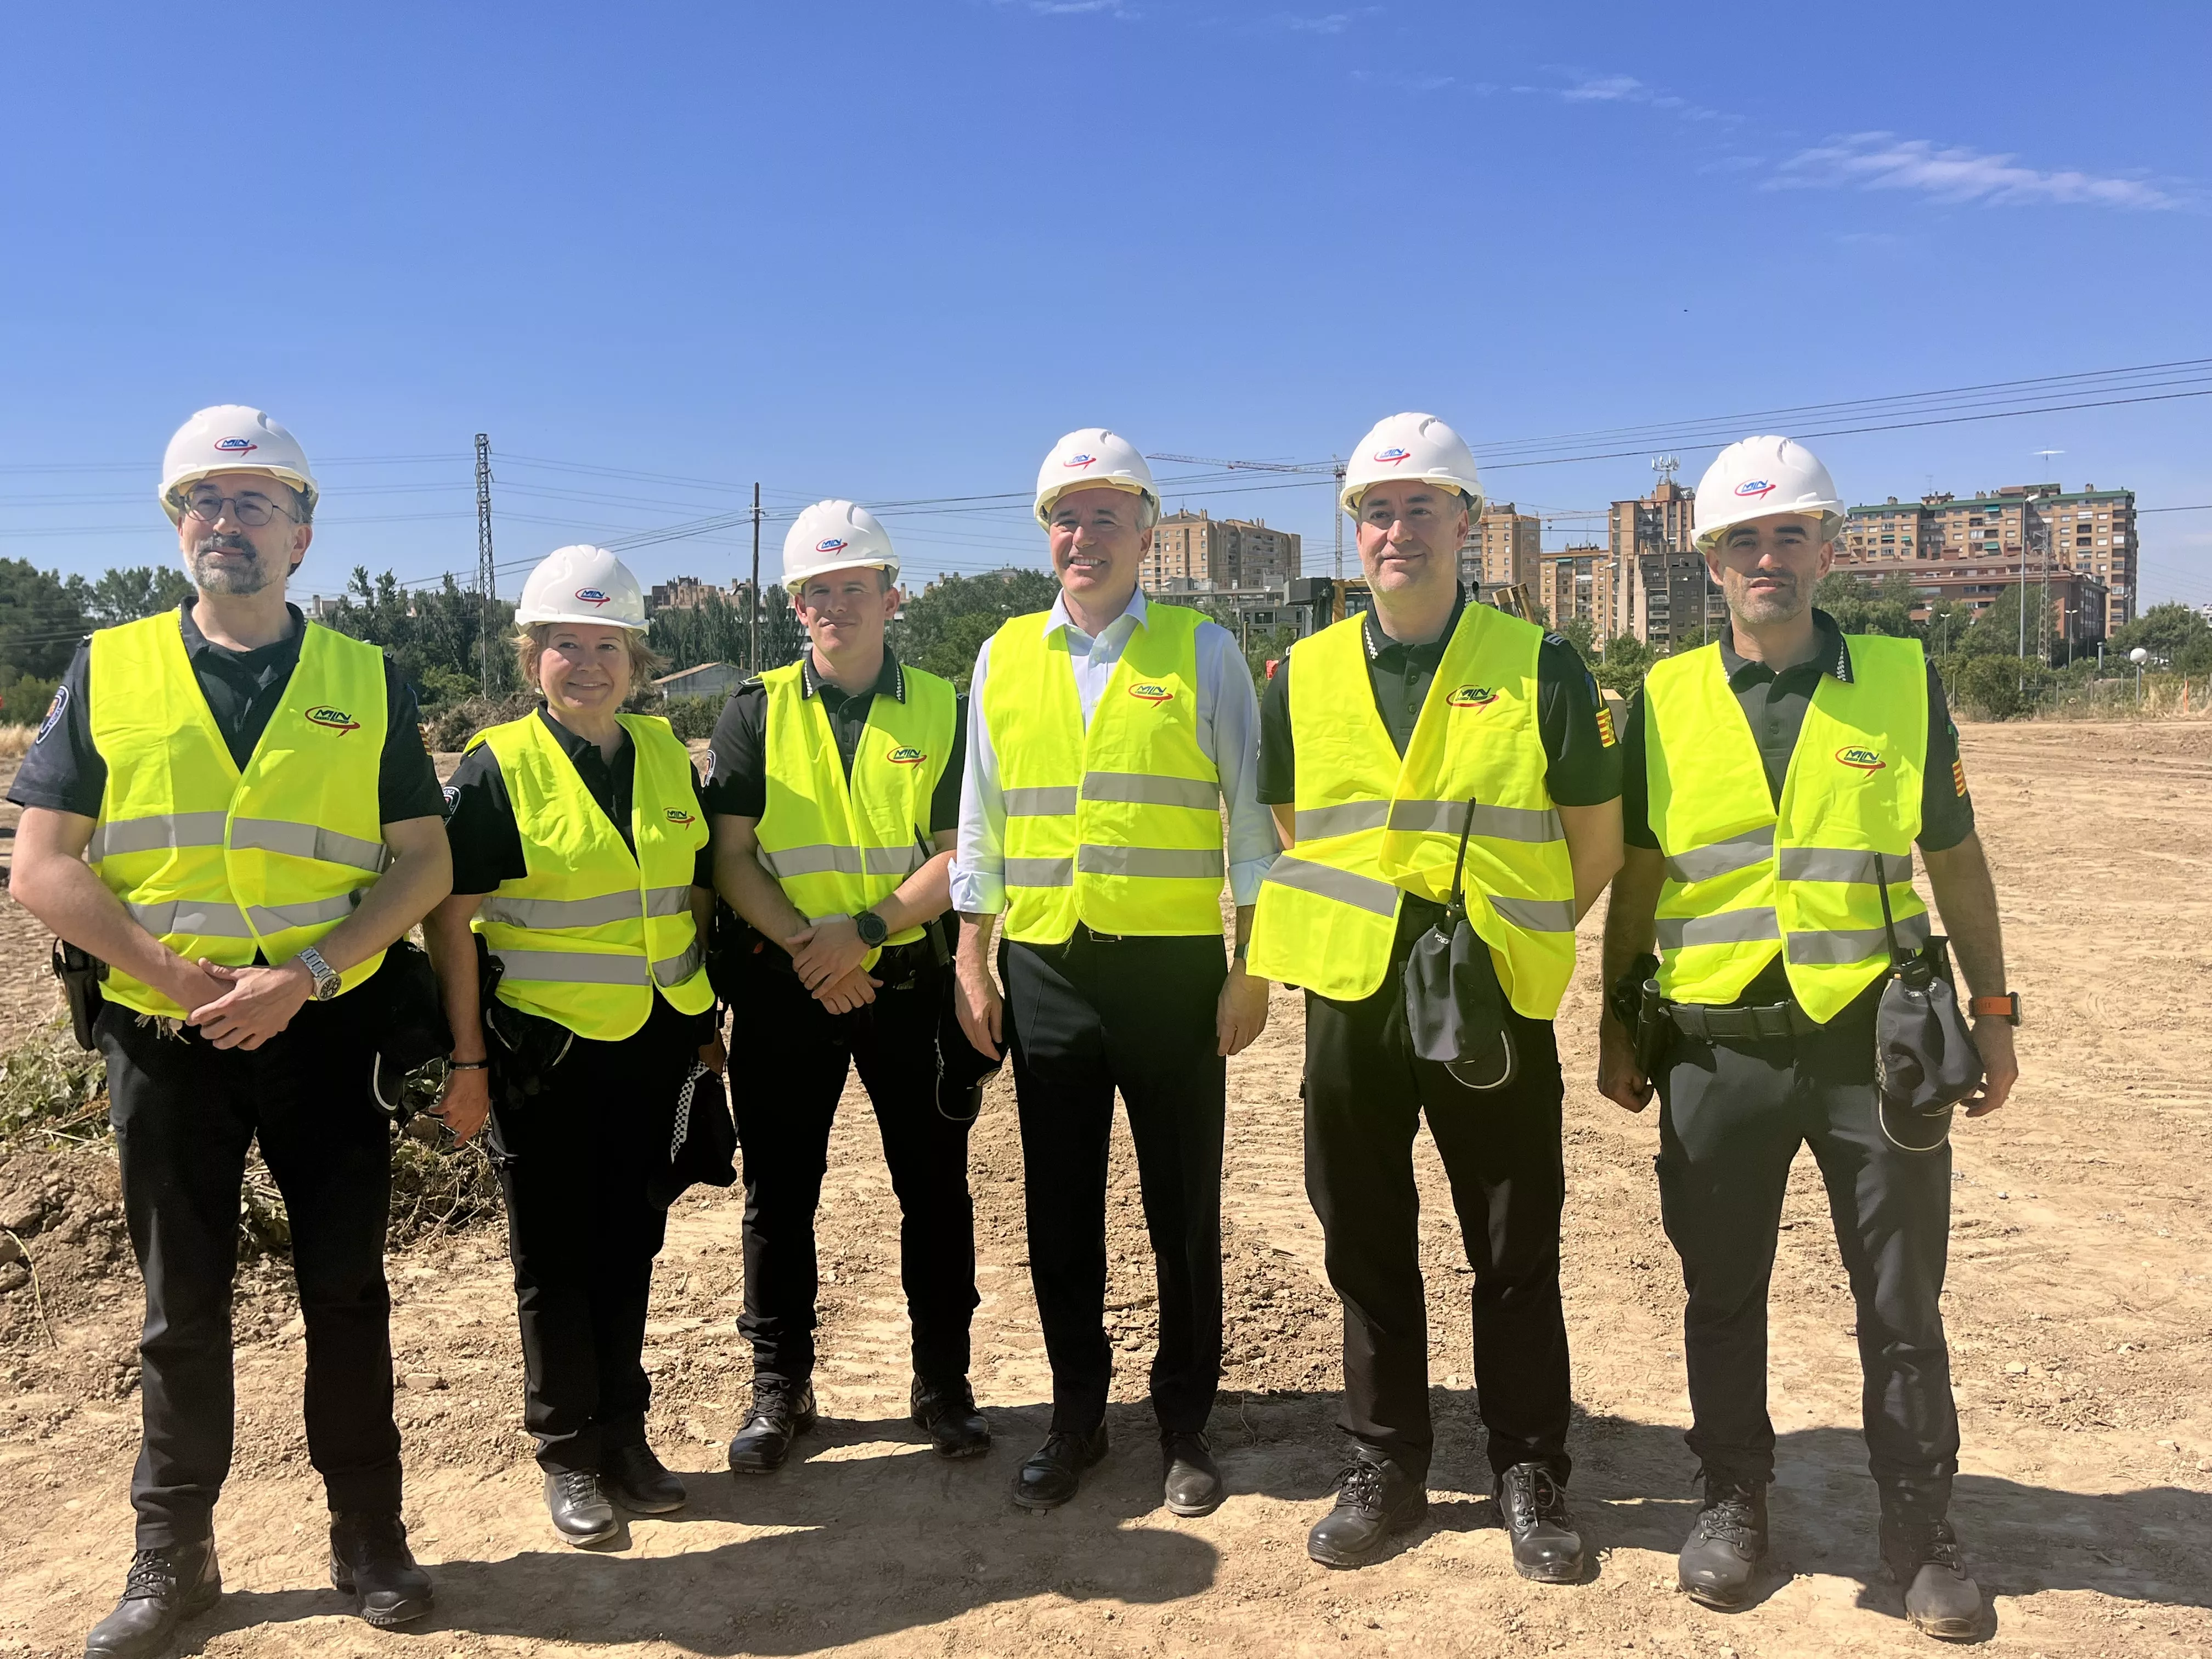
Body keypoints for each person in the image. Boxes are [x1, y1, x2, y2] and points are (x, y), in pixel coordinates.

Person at [8, 407, 452, 1656]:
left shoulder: (368, 679)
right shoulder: (111, 669)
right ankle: (173, 1555)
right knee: (179, 1305)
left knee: (346, 1294)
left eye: (256, 503)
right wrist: (167, 971)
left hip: (326, 1031)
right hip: (166, 1040)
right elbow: (41, 867)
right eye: (204, 501)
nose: (227, 522)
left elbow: (421, 864)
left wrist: (307, 975)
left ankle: (370, 1536)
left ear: (303, 534)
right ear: (174, 526)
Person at [1595, 436, 2019, 1639]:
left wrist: (1993, 1014)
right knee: (1720, 1293)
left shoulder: (1897, 677)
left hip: (1869, 1045)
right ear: (1711, 564)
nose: (1768, 556)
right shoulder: (1666, 703)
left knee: (1901, 1303)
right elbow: (1638, 877)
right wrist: (1616, 1024)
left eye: (1790, 534)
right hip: (1714, 1047)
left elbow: (1955, 859)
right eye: (1744, 538)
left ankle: (1919, 1533)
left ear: (1830, 549)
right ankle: (1733, 1502)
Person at [1247, 413, 1623, 1574]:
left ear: (1468, 523)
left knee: (1513, 1244)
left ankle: (1527, 1467)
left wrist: (1513, 936)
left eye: (1421, 507)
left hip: (1491, 993)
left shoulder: (1541, 666)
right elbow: (1296, 828)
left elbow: (1594, 843)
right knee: (1363, 1237)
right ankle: (1389, 1466)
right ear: (1352, 530)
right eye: (1376, 509)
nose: (1396, 528)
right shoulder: (1296, 677)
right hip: (1352, 996)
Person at [951, 428, 1273, 1517]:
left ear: (1146, 529)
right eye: (1062, 517)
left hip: (1176, 975)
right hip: (1047, 974)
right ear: (1045, 535)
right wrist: (972, 957)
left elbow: (1248, 829)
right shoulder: (1003, 658)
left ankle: (1184, 1422)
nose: (1080, 535)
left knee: (1182, 1206)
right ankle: (1077, 1418)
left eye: (1102, 515)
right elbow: (981, 828)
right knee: (1060, 1209)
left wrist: (1250, 965)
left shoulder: (1202, 652)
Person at [424, 545, 721, 1548]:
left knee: (631, 1242)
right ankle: (565, 1452)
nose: (586, 664)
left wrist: (706, 1029)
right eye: (564, 646)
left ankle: (623, 1432)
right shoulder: (497, 765)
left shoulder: (666, 751)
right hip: (542, 1057)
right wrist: (467, 1061)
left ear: (634, 658)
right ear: (531, 657)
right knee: (555, 1258)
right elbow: (452, 922)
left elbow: (686, 897)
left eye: (606, 645)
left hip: (653, 1043)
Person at [702, 501, 985, 1472]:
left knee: (934, 1190)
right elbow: (730, 855)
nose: (835, 607)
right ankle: (781, 1388)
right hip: (788, 988)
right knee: (779, 1199)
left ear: (889, 596)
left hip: (905, 980)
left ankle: (943, 1385)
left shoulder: (944, 706)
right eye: (817, 592)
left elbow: (960, 859)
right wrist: (806, 950)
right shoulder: (753, 708)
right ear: (796, 604)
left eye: (852, 589)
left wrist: (862, 935)